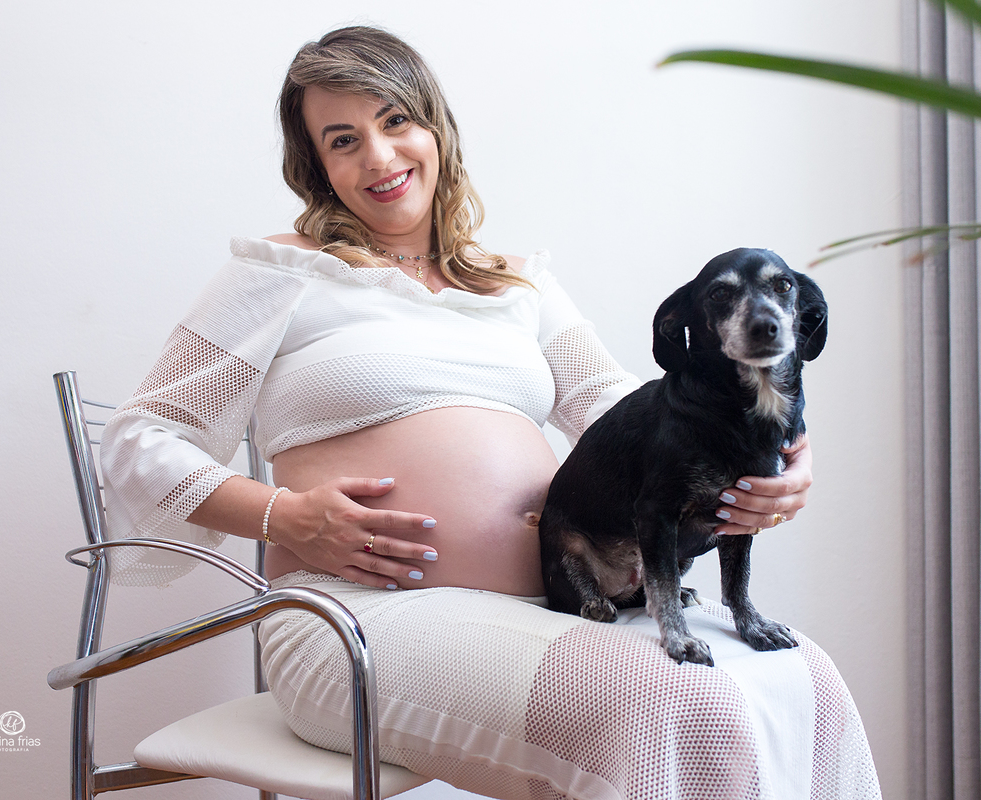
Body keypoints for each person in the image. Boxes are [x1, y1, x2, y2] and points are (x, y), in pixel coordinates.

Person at [101, 25, 881, 800]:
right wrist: (284, 515)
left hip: (558, 606)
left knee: (802, 677)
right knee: (659, 702)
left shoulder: (517, 286)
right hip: (356, 621)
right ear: (317, 166)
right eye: (343, 140)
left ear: (435, 126)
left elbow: (629, 413)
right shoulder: (280, 273)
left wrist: (777, 466)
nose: (378, 155)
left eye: (395, 120)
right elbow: (139, 437)